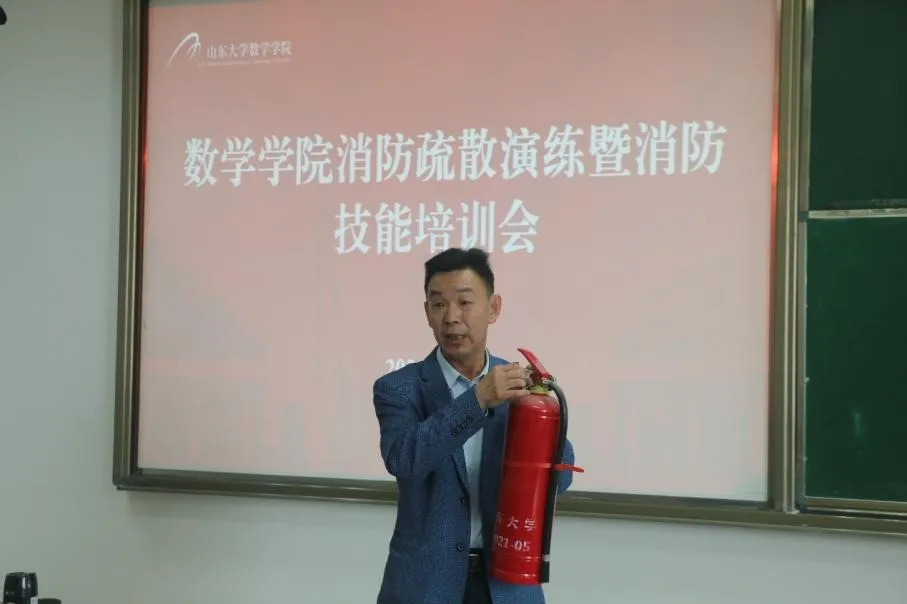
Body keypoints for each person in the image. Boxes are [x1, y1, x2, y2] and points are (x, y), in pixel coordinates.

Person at [372, 247, 577, 604]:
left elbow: (559, 481)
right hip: (425, 587)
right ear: (427, 312)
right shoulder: (399, 388)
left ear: (493, 308)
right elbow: (404, 459)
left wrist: (541, 416)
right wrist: (477, 400)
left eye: (465, 302)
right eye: (439, 304)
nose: (452, 317)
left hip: (506, 584)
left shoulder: (518, 386)